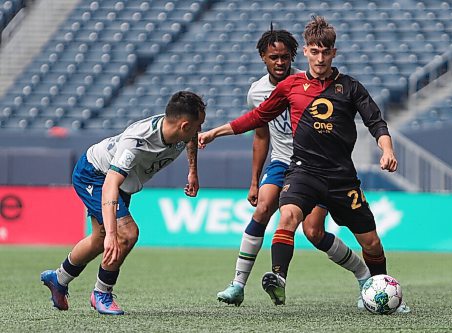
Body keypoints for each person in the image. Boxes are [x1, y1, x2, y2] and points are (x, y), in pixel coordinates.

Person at [200, 17, 410, 313]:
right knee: (287, 216)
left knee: (372, 242)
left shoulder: (349, 87)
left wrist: (386, 149)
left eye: (326, 52)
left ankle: (381, 290)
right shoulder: (291, 86)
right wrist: (214, 132)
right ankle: (278, 277)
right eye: (314, 51)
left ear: (334, 52)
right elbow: (257, 118)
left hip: (341, 179)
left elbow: (375, 120)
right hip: (303, 171)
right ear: (308, 53)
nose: (320, 58)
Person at [216, 27, 370, 308]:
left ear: (293, 57)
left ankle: (363, 274)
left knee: (314, 232)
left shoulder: (308, 81)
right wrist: (254, 180)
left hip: (317, 166)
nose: (280, 62)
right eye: (273, 57)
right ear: (263, 57)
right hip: (282, 161)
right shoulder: (257, 91)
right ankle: (238, 284)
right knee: (264, 208)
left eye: (285, 57)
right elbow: (261, 135)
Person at [41, 91, 206, 315]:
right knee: (125, 234)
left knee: (99, 240)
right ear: (185, 125)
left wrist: (192, 172)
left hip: (122, 182)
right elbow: (110, 183)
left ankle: (58, 278)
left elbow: (191, 139)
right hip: (96, 174)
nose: (200, 131)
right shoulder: (137, 141)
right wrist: (112, 233)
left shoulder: (182, 132)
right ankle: (101, 293)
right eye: (199, 125)